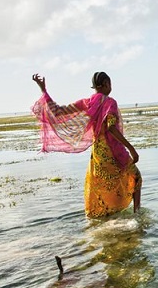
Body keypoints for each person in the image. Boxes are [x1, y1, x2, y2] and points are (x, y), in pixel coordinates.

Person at [31, 71, 142, 218]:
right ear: (107, 84)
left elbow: (57, 111)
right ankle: (137, 215)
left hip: (98, 154)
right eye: (110, 84)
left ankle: (105, 217)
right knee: (136, 177)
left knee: (102, 186)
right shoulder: (110, 103)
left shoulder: (87, 103)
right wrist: (131, 148)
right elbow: (111, 127)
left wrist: (43, 90)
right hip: (114, 151)